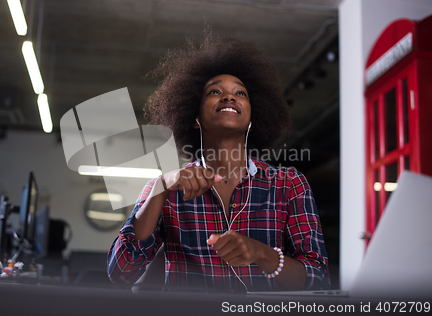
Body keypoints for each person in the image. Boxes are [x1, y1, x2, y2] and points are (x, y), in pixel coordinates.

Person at [107, 34, 330, 293]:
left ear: (251, 120)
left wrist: (263, 254)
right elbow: (120, 273)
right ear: (194, 116)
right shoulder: (165, 188)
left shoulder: (289, 184)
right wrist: (161, 186)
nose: (229, 97)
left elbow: (318, 278)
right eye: (215, 92)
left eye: (240, 93)